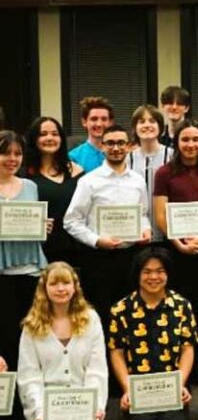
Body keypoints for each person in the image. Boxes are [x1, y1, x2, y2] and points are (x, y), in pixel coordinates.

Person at [64, 124, 152, 323]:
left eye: (121, 143)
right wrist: (97, 240)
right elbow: (71, 221)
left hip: (130, 257)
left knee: (131, 317)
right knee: (101, 316)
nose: (116, 148)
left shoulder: (138, 181)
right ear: (102, 146)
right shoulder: (89, 181)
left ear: (129, 146)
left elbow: (143, 214)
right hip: (98, 260)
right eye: (110, 143)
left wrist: (146, 229)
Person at [107, 247, 197, 420]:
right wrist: (127, 389)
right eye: (147, 272)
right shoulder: (120, 309)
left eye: (160, 271)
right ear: (137, 275)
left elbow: (188, 349)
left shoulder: (182, 305)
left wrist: (180, 384)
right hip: (138, 387)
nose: (153, 277)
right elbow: (116, 353)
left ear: (168, 274)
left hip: (171, 384)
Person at [17, 262, 107, 420]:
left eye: (66, 283)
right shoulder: (31, 325)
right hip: (47, 408)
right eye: (53, 284)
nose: (60, 289)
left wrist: (96, 405)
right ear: (44, 288)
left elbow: (97, 369)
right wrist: (39, 412)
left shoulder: (91, 319)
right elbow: (29, 375)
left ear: (75, 287)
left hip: (83, 406)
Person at [154, 120, 198, 325]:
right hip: (175, 248)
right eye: (185, 139)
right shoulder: (164, 173)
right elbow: (160, 215)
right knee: (177, 303)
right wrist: (179, 243)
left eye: (196, 139)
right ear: (177, 142)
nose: (191, 144)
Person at [0, 130, 49, 387]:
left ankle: (30, 395)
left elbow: (34, 224)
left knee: (31, 338)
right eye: (5, 153)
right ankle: (7, 402)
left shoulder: (31, 186)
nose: (12, 159)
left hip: (31, 270)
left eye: (17, 154)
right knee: (6, 338)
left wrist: (43, 226)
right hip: (2, 273)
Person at [23, 117, 84, 264]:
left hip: (75, 249)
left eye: (55, 134)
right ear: (34, 139)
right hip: (38, 251)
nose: (49, 138)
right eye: (43, 134)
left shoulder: (77, 171)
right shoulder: (23, 174)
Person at [129, 104, 174, 242]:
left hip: (168, 234)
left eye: (152, 121)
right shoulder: (127, 159)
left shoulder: (172, 156)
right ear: (135, 128)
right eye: (141, 121)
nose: (147, 125)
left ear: (160, 127)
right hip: (136, 234)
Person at [68, 96, 114, 173]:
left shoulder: (121, 154)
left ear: (110, 123)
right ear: (84, 122)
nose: (99, 124)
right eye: (94, 119)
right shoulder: (73, 157)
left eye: (104, 119)